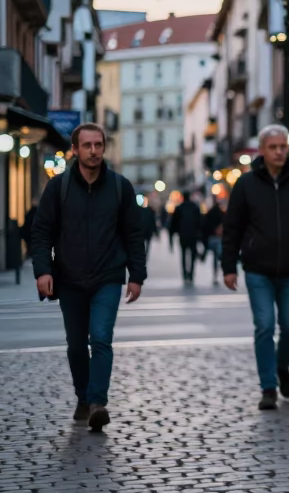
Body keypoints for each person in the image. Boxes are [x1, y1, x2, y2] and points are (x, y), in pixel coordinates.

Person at [30, 123, 146, 432]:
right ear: (75, 150)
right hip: (69, 279)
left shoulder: (120, 187)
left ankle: (97, 403)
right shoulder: (59, 188)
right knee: (76, 346)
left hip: (108, 276)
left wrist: (137, 275)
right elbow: (41, 233)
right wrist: (43, 270)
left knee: (101, 338)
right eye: (87, 146)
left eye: (98, 145)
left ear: (104, 148)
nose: (93, 151)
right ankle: (83, 396)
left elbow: (134, 235)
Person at [221, 124, 289, 410]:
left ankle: (282, 366)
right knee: (265, 325)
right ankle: (268, 386)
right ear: (263, 151)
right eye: (274, 147)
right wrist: (228, 266)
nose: (280, 151)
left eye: (283, 147)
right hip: (257, 269)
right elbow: (232, 228)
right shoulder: (246, 185)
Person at [170, 191, 202, 283]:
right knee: (192, 254)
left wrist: (171, 238)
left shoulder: (179, 208)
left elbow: (174, 224)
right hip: (193, 235)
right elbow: (199, 222)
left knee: (183, 254)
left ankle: (184, 273)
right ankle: (191, 273)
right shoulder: (195, 207)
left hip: (183, 235)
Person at [202, 199, 225, 285]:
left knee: (216, 258)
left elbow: (204, 228)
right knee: (218, 255)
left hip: (212, 238)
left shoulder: (209, 214)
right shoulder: (222, 214)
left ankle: (216, 274)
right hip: (218, 239)